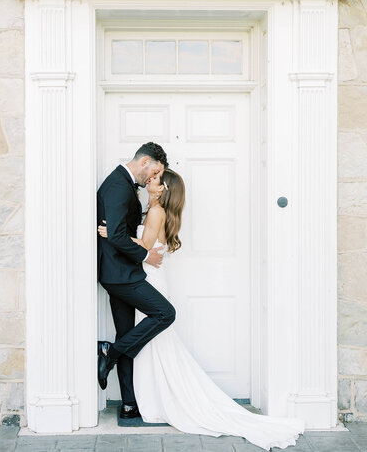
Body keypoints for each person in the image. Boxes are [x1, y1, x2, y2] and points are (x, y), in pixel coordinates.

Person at [98, 168, 306, 450]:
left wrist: (113, 233)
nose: (151, 180)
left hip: (149, 278)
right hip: (146, 276)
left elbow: (146, 247)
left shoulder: (156, 212)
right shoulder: (153, 211)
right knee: (153, 343)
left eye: (157, 180)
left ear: (163, 190)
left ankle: (118, 359)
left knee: (158, 332)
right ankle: (138, 398)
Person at [97, 142, 176, 420]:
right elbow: (117, 235)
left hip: (119, 272)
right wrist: (145, 255)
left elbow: (120, 233)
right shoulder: (119, 185)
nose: (152, 179)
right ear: (144, 162)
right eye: (154, 171)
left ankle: (129, 403)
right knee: (165, 313)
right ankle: (110, 351)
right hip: (121, 274)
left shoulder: (126, 185)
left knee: (127, 336)